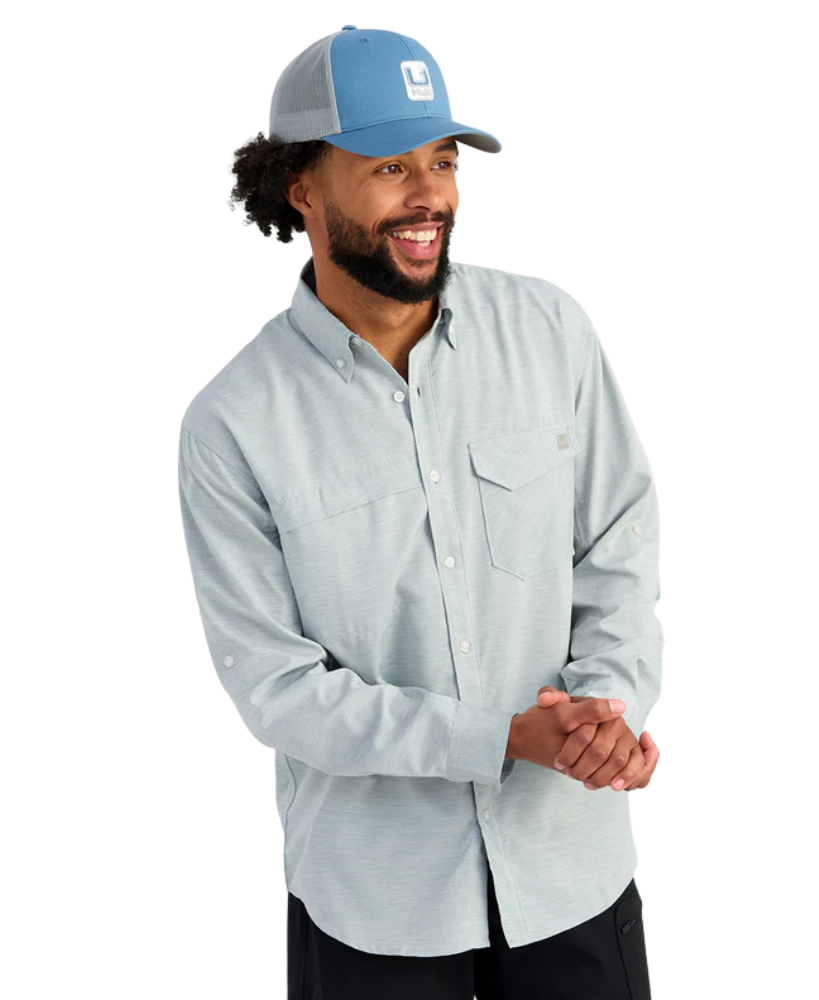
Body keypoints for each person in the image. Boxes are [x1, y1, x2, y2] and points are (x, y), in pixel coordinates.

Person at [179, 23, 663, 1000]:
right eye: (391, 165)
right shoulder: (232, 422)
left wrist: (607, 710)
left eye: (442, 162)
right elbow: (274, 687)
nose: (430, 195)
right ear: (300, 185)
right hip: (376, 909)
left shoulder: (551, 330)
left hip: (570, 871)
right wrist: (497, 740)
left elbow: (619, 547)